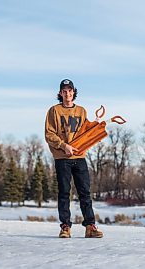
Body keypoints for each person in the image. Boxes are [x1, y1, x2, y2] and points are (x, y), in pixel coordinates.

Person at [44, 79, 103, 238]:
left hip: (80, 156)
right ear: (60, 93)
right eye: (64, 91)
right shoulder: (54, 111)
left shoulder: (81, 111)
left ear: (73, 92)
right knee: (64, 192)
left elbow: (85, 131)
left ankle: (90, 226)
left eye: (70, 90)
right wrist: (64, 146)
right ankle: (65, 227)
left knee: (85, 192)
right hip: (62, 157)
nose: (67, 93)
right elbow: (49, 134)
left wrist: (95, 125)